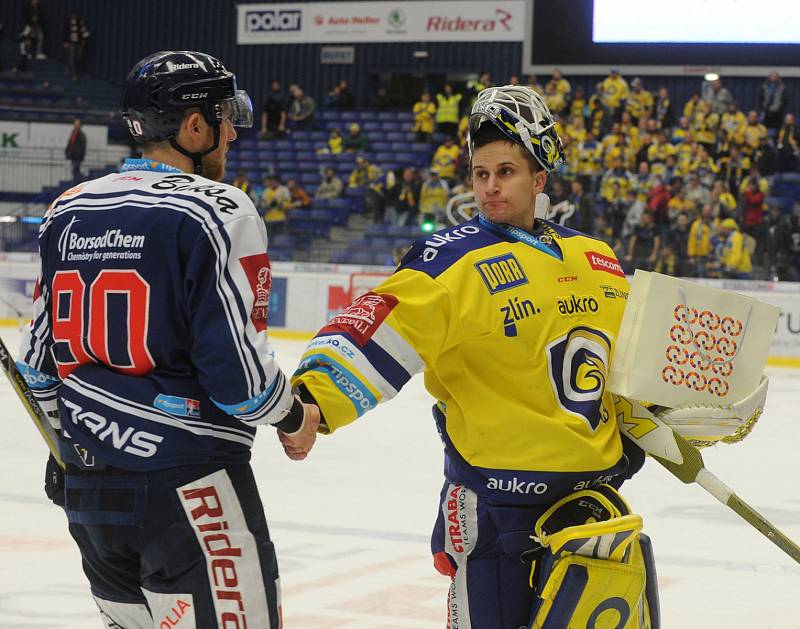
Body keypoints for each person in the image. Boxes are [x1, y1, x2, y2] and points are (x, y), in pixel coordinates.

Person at [284, 85, 659, 628]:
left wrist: (674, 410)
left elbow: (627, 365)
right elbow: (383, 320)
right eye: (480, 174)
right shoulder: (453, 259)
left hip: (593, 506)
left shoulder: (595, 257)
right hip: (497, 509)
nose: (489, 187)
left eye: (505, 172)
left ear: (540, 179)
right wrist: (314, 399)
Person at [17, 50, 319, 628]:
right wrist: (292, 415)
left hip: (90, 493)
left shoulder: (67, 210)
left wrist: (73, 445)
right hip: (192, 485)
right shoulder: (217, 210)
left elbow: (37, 366)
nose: (232, 131)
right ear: (193, 125)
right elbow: (242, 382)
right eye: (223, 116)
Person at [62, 10, 90, 79]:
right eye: (73, 15)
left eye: (75, 15)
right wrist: (65, 41)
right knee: (71, 58)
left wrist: (84, 39)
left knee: (78, 57)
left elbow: (84, 31)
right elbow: (65, 32)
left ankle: (68, 70)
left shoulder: (80, 22)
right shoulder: (68, 22)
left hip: (78, 43)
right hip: (70, 42)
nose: (74, 17)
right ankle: (74, 74)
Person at [64, 117, 86, 183]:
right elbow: (70, 143)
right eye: (75, 124)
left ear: (80, 125)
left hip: (77, 156)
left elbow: (82, 147)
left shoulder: (81, 135)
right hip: (72, 155)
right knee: (75, 171)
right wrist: (67, 152)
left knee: (75, 170)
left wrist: (78, 155)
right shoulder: (73, 133)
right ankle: (78, 183)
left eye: (77, 124)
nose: (76, 125)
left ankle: (79, 183)